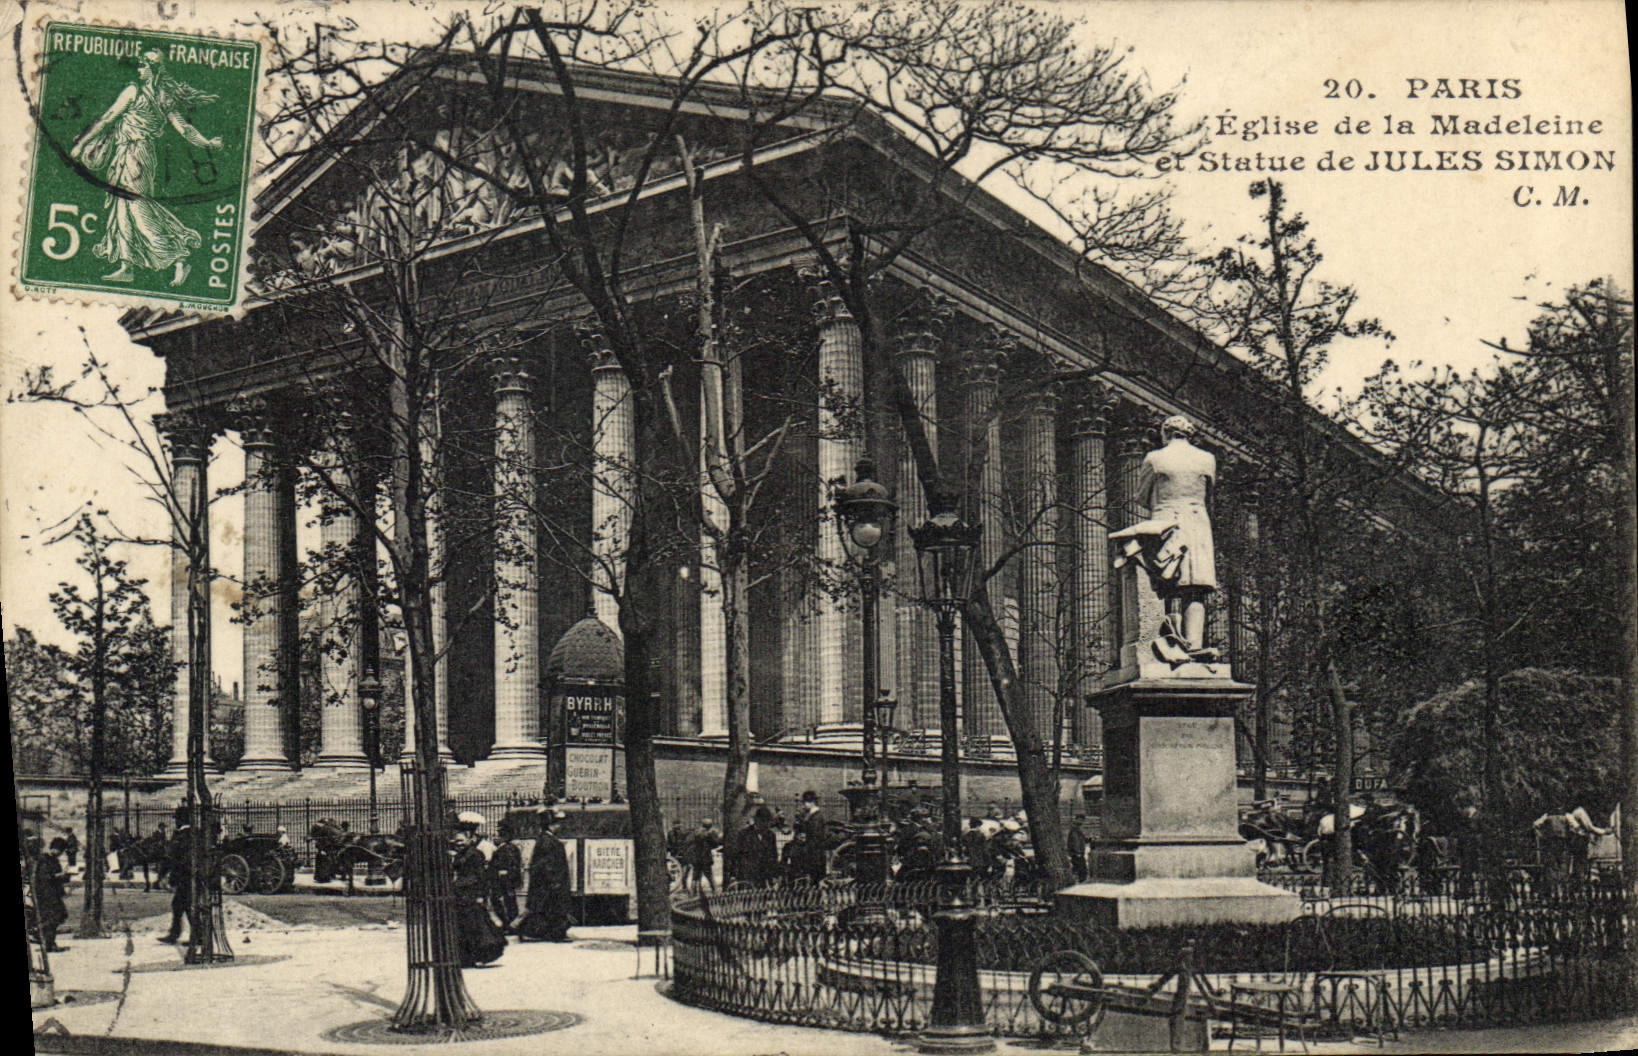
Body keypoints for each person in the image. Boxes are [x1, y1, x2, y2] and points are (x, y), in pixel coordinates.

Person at [68, 51, 225, 287]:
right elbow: (109, 118)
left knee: (139, 209)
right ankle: (126, 266)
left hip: (137, 155)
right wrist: (207, 143)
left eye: (143, 65)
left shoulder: (146, 94)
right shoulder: (156, 95)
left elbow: (110, 118)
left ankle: (179, 258)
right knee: (123, 210)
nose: (139, 69)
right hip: (128, 154)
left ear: (154, 69)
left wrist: (81, 145)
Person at [1109, 414, 1218, 660]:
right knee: (1195, 587)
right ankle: (1193, 644)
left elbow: (1141, 495)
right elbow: (1209, 494)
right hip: (1198, 523)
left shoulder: (1155, 458)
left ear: (1165, 433)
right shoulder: (1207, 459)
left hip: (1166, 522)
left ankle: (1169, 640)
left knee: (1165, 584)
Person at [449, 813, 505, 966]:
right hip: (460, 894)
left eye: (461, 841)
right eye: (456, 841)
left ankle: (479, 955)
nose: (458, 843)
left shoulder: (476, 854)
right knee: (464, 926)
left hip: (471, 893)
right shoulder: (460, 854)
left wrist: (481, 895)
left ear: (469, 839)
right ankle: (466, 957)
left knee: (475, 926)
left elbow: (481, 877)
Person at [517, 810, 572, 942]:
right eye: (556, 824)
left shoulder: (546, 839)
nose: (559, 826)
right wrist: (554, 881)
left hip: (548, 883)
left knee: (545, 909)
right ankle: (551, 934)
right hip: (550, 884)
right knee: (550, 909)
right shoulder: (547, 840)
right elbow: (546, 864)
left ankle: (546, 933)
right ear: (550, 825)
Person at [27, 834, 69, 952]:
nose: (61, 853)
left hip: (53, 893)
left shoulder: (53, 860)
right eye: (61, 851)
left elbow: (57, 876)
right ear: (55, 848)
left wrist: (64, 876)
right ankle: (46, 942)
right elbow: (45, 877)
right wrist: (60, 875)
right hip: (46, 894)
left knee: (59, 915)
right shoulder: (44, 859)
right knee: (53, 917)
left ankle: (48, 942)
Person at [159, 810, 192, 945]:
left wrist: (166, 875)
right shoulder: (196, 833)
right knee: (181, 905)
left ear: (180, 820)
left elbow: (173, 858)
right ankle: (176, 934)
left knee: (183, 905)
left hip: (184, 876)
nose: (175, 822)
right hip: (193, 877)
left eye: (176, 819)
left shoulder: (181, 836)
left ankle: (195, 936)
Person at [728, 807, 779, 887]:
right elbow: (736, 855)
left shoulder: (770, 835)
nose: (765, 824)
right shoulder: (744, 834)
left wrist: (775, 875)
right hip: (747, 875)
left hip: (763, 876)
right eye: (763, 821)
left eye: (767, 822)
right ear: (756, 820)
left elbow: (773, 856)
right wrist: (733, 874)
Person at [488, 819, 524, 933]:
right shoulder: (507, 848)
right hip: (503, 880)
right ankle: (509, 925)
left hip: (504, 881)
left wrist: (504, 874)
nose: (496, 837)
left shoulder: (508, 848)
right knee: (504, 902)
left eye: (499, 834)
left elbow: (512, 865)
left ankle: (510, 925)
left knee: (506, 902)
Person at [787, 791, 828, 885]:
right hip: (811, 850)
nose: (804, 805)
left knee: (814, 880)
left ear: (812, 802)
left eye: (805, 802)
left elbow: (815, 835)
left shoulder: (816, 816)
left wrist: (805, 837)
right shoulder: (810, 815)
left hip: (814, 853)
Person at [686, 819, 720, 894]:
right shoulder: (708, 834)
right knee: (710, 877)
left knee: (695, 877)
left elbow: (689, 843)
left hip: (696, 859)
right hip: (705, 859)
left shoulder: (696, 833)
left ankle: (693, 893)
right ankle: (716, 892)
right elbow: (715, 844)